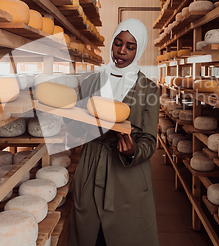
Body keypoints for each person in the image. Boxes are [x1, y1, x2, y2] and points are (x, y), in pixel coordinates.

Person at [67, 18, 160, 246]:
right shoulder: (90, 83)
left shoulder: (148, 89)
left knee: (126, 234)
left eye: (130, 46)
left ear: (139, 50)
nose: (121, 51)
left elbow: (149, 139)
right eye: (118, 43)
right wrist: (74, 124)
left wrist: (133, 151)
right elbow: (76, 128)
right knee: (90, 232)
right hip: (91, 165)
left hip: (127, 175)